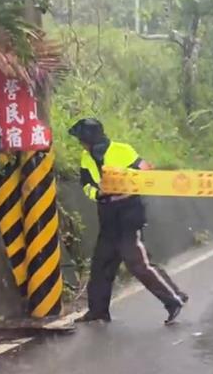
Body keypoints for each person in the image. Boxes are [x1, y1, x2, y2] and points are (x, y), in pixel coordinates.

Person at [67, 118, 189, 324]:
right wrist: (98, 193)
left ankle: (174, 299)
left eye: (83, 141)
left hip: (128, 213)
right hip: (107, 214)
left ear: (91, 139)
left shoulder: (122, 150)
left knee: (138, 263)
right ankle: (98, 311)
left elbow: (146, 173)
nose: (82, 145)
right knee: (101, 265)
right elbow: (86, 184)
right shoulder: (85, 158)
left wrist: (125, 184)